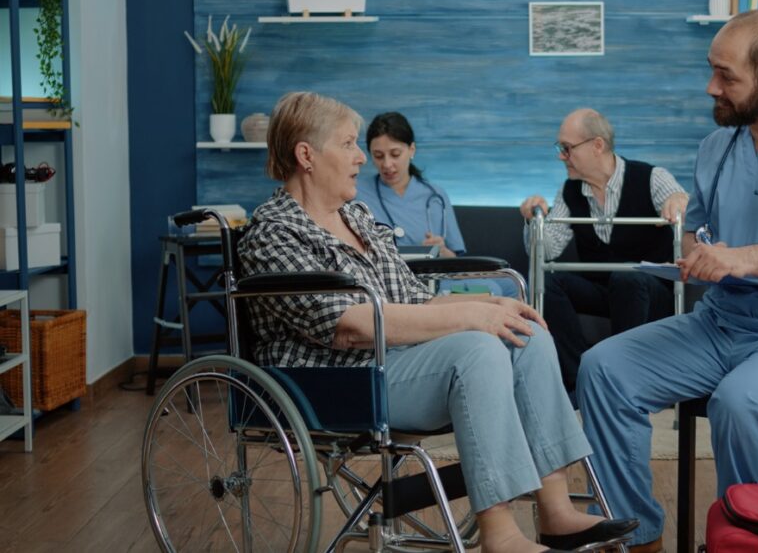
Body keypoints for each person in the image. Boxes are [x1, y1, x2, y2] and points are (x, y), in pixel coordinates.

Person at [238, 92, 638, 553]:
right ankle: (501, 536)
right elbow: (349, 326)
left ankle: (556, 512)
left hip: (397, 362)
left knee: (523, 333)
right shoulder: (274, 230)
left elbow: (411, 298)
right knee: (478, 349)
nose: (361, 157)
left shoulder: (357, 217)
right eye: (349, 144)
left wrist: (490, 306)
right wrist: (467, 318)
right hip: (338, 380)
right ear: (306, 155)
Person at [576, 10, 758, 552]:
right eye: (711, 70)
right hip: (720, 324)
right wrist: (697, 256)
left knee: (740, 402)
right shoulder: (717, 147)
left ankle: (748, 542)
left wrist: (740, 259)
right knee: (604, 369)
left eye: (726, 76)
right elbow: (695, 236)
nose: (711, 86)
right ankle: (636, 535)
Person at [519, 108, 689, 403]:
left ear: (597, 145)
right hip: (604, 289)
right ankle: (579, 380)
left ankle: (624, 382)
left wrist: (680, 200)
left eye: (567, 148)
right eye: (561, 149)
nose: (561, 156)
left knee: (628, 278)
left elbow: (683, 206)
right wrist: (533, 222)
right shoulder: (570, 191)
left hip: (651, 290)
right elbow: (547, 251)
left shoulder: (652, 177)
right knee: (549, 282)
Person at [357, 111, 518, 297]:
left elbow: (456, 260)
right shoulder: (359, 193)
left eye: (395, 154)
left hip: (437, 275)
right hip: (390, 279)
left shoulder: (435, 195)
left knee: (509, 284)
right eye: (378, 156)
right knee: (493, 291)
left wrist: (440, 250)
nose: (387, 164)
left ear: (412, 150)